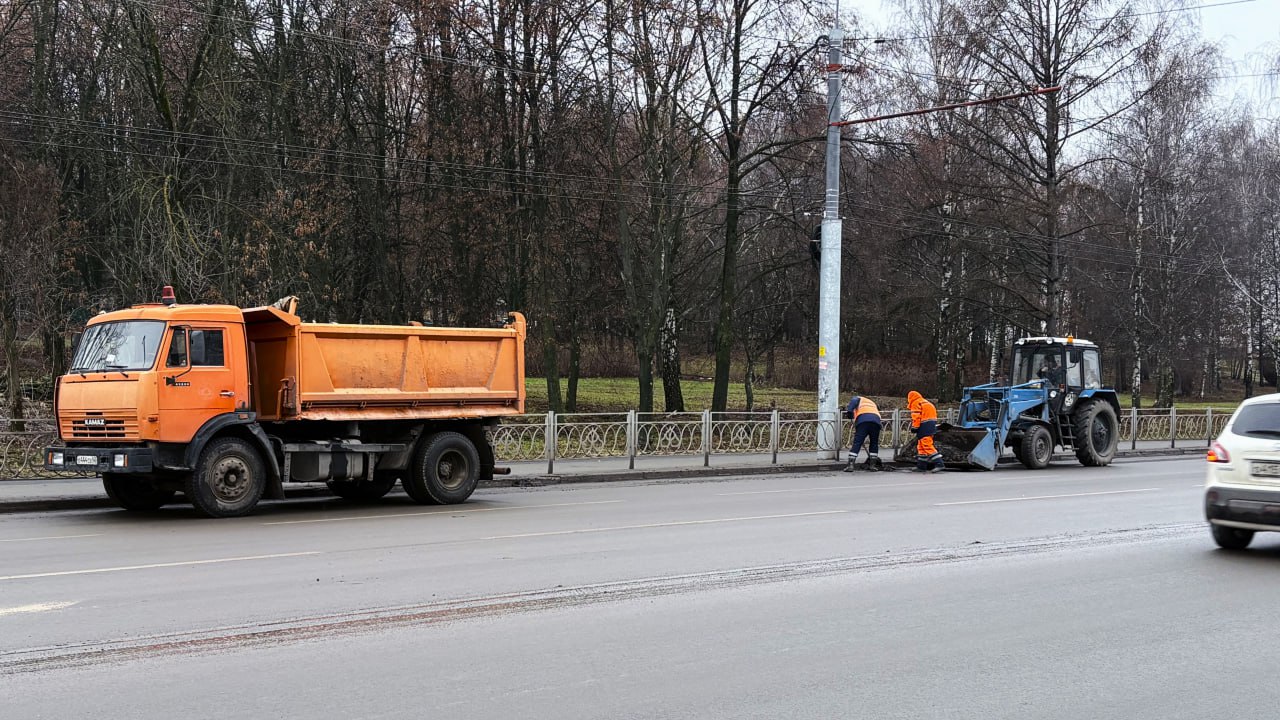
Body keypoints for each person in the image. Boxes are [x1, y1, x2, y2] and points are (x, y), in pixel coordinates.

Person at [907, 390, 945, 473]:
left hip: (924, 425)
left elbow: (916, 417)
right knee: (921, 445)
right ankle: (921, 466)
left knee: (926, 444)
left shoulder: (916, 403)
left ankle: (939, 463)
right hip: (931, 425)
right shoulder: (927, 403)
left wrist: (914, 427)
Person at [843, 394, 883, 472]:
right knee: (874, 443)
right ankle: (872, 465)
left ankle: (850, 465)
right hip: (876, 421)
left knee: (857, 442)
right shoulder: (871, 403)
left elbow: (852, 406)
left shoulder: (857, 398)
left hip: (863, 421)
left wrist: (849, 414)